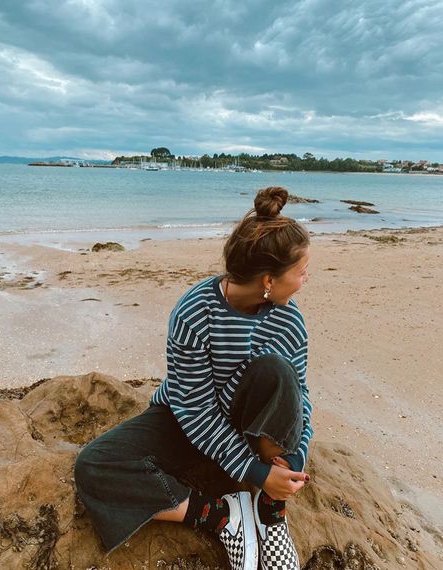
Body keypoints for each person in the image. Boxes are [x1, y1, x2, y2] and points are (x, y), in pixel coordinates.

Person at [75, 186, 313, 570]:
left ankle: (270, 512)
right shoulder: (194, 312)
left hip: (257, 429)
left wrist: (290, 464)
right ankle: (223, 516)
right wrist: (252, 472)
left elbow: (297, 394)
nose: (306, 279)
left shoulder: (289, 318)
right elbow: (195, 410)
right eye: (301, 272)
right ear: (268, 279)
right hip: (189, 421)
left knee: (277, 371)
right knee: (94, 465)